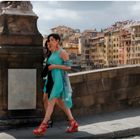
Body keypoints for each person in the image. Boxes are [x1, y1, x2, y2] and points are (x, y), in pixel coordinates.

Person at [33, 33, 78, 136]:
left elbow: (68, 67)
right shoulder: (52, 52)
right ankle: (73, 122)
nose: (50, 41)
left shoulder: (62, 52)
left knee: (51, 101)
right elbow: (48, 60)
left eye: (52, 40)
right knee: (53, 100)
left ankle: (43, 126)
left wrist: (55, 66)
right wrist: (48, 49)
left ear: (58, 40)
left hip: (58, 79)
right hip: (50, 79)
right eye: (49, 40)